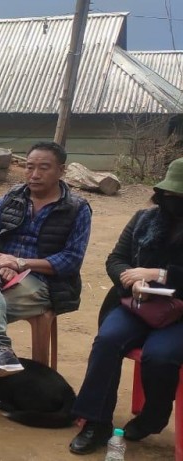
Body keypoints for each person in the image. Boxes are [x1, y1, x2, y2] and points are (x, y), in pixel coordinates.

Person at [0, 141, 91, 420]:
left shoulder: (76, 208)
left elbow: (70, 259)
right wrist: (0, 260)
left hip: (43, 282)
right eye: (29, 167)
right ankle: (0, 348)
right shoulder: (13, 196)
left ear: (61, 171)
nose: (34, 174)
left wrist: (20, 263)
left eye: (43, 168)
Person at [69, 158, 183, 454]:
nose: (175, 202)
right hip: (139, 304)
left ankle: (153, 417)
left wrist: (161, 274)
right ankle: (96, 420)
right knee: (107, 340)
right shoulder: (144, 219)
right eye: (172, 196)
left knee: (160, 355)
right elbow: (116, 258)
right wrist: (131, 280)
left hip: (180, 313)